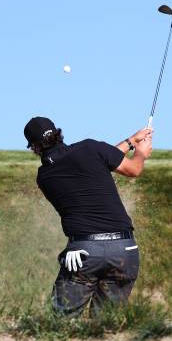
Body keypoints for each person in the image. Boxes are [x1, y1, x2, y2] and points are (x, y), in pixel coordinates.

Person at [23, 116, 153, 316]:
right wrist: (141, 154)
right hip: (125, 250)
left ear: (34, 148)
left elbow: (96, 162)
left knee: (61, 322)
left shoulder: (44, 177)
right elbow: (132, 168)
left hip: (84, 253)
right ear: (59, 133)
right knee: (105, 325)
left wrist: (131, 141)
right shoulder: (90, 148)